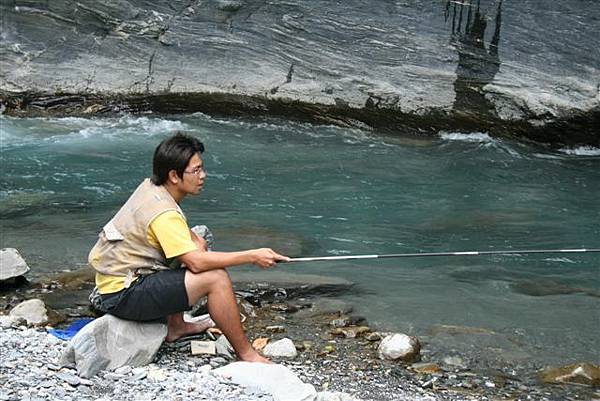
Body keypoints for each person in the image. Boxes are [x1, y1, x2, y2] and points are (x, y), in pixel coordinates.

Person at [88, 132, 289, 363]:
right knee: (216, 278)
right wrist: (252, 255)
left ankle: (177, 326)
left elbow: (186, 241)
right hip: (122, 295)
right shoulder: (164, 215)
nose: (203, 176)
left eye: (201, 168)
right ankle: (247, 354)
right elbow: (196, 262)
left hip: (118, 281)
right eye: (196, 171)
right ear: (174, 175)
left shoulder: (152, 187)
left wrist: (197, 242)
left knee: (198, 241)